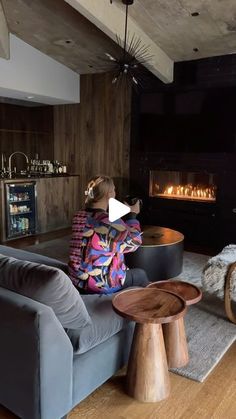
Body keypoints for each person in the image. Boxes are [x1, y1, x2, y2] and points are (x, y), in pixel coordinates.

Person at [68, 174, 149, 294]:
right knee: (141, 275)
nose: (115, 193)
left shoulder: (78, 216)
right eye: (114, 190)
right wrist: (133, 215)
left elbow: (101, 228)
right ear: (109, 194)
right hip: (99, 284)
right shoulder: (109, 221)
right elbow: (135, 242)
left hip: (77, 279)